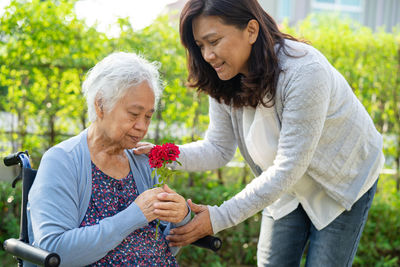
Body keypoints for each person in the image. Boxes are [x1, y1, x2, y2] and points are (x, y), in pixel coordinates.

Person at [135, 0, 385, 266]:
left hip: (341, 182)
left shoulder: (304, 71)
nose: (207, 55)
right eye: (200, 46)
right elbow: (218, 149)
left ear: (251, 30)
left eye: (214, 41)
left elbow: (288, 168)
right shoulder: (223, 76)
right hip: (284, 187)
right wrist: (159, 155)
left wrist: (217, 217)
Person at [27, 52, 191, 266]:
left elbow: (160, 246)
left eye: (148, 116)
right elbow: (55, 251)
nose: (142, 126)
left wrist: (181, 218)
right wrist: (133, 215)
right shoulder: (61, 161)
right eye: (134, 114)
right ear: (100, 105)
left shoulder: (141, 162)